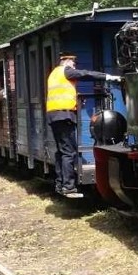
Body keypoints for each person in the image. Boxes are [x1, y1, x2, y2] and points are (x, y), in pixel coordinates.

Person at [46, 52, 122, 196]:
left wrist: (76, 99)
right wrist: (107, 77)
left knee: (61, 152)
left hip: (54, 115)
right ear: (67, 61)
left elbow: (63, 91)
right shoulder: (66, 71)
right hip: (64, 116)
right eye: (73, 63)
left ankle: (60, 183)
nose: (74, 66)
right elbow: (85, 74)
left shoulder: (54, 74)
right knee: (69, 152)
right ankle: (69, 187)